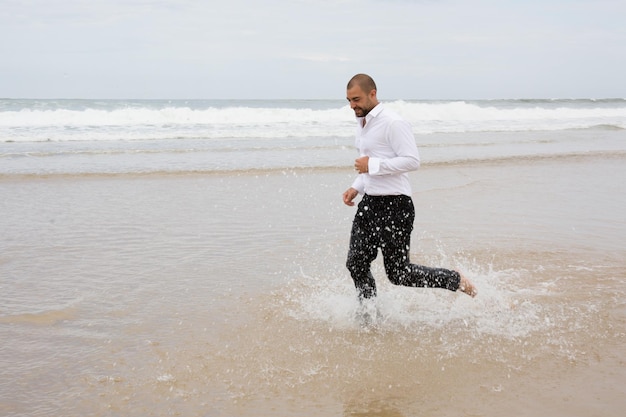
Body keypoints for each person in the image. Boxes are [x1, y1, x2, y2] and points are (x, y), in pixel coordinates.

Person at [342, 73, 477, 300]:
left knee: (398, 273)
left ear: (372, 94)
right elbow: (370, 163)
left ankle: (454, 279)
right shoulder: (362, 123)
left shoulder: (393, 122)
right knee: (355, 263)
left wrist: (371, 164)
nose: (352, 105)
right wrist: (357, 186)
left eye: (356, 99)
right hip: (370, 203)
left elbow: (411, 160)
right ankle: (368, 317)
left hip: (396, 205)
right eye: (348, 101)